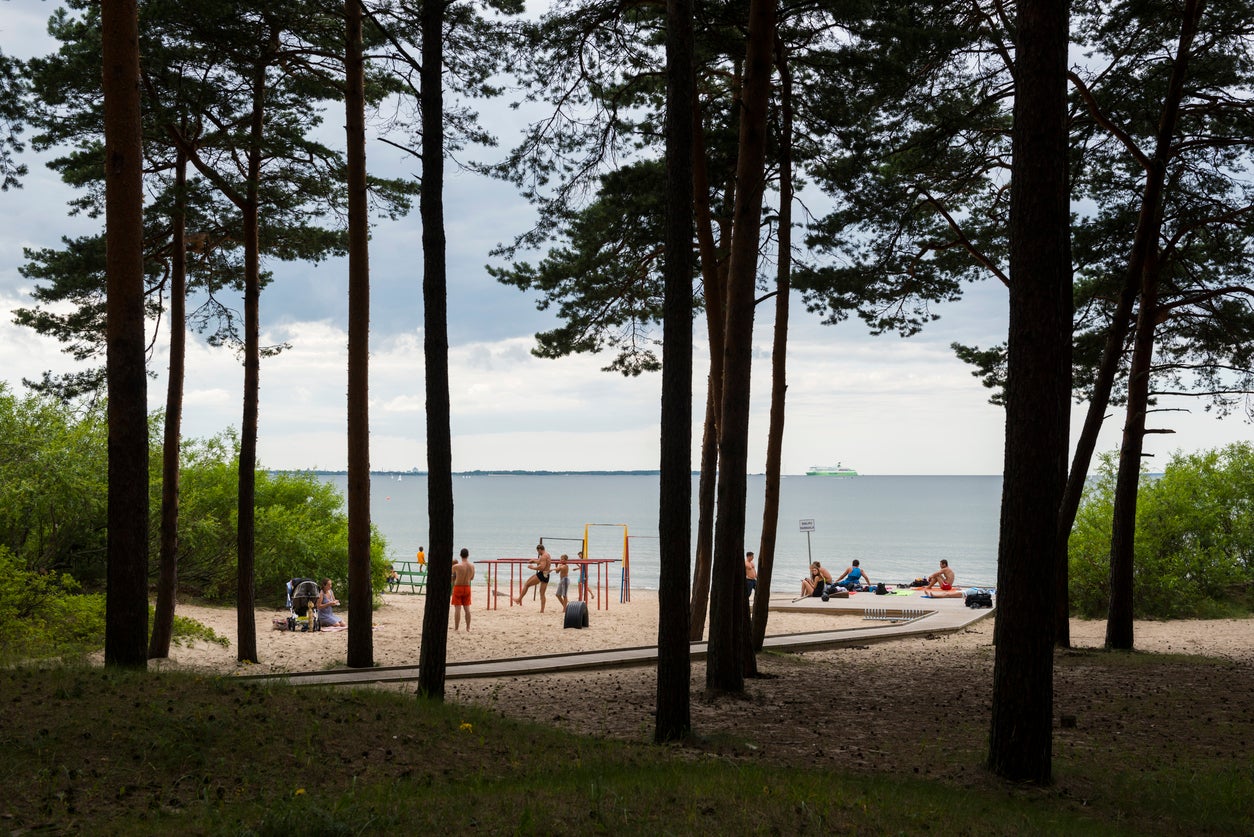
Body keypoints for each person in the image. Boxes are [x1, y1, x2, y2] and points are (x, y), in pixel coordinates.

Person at [512, 543, 553, 611]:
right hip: (547, 574)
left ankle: (519, 599)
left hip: (542, 574)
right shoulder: (547, 555)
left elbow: (542, 567)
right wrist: (533, 560)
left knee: (527, 584)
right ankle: (542, 610)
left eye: (538, 551)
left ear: (540, 550)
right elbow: (540, 562)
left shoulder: (543, 556)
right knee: (542, 593)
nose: (538, 553)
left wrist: (532, 568)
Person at [451, 548, 474, 631]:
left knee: (457, 609)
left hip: (458, 587)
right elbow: (472, 578)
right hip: (467, 587)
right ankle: (468, 627)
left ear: (460, 555)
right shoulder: (472, 566)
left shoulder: (456, 566)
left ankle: (456, 628)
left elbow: (451, 577)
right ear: (468, 555)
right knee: (467, 609)